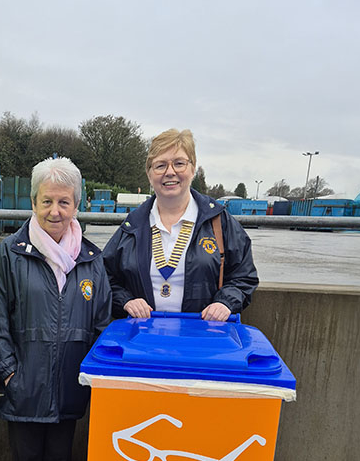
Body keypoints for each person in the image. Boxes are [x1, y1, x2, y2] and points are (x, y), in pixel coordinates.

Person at [0, 157, 111, 461]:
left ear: (77, 205)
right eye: (46, 201)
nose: (55, 211)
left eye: (65, 202)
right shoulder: (10, 253)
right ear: (34, 203)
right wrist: (7, 372)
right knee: (27, 460)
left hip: (71, 382)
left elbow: (103, 322)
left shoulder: (91, 259)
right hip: (25, 380)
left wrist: (94, 376)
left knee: (60, 460)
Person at [102, 129, 258, 320]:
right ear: (149, 174)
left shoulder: (218, 221)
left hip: (202, 337)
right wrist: (126, 300)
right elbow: (104, 277)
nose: (170, 172)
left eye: (179, 163)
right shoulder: (132, 226)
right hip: (144, 339)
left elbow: (244, 276)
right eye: (160, 165)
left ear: (192, 169)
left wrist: (225, 302)